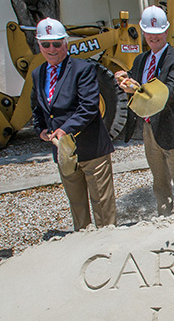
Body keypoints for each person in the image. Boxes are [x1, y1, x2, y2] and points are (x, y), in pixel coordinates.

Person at [31, 17, 117, 231]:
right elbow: (38, 108)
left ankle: (108, 248)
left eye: (57, 44)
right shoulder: (38, 74)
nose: (52, 49)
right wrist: (41, 130)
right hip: (64, 153)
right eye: (46, 44)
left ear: (65, 43)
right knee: (77, 206)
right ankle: (84, 248)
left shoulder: (83, 69)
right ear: (39, 45)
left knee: (103, 209)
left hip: (91, 148)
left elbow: (89, 106)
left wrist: (65, 130)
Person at [115, 5, 174, 216]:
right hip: (150, 130)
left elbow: (173, 90)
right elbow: (132, 82)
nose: (153, 37)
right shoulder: (141, 60)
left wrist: (138, 88)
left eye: (157, 32)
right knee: (159, 184)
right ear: (143, 32)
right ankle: (164, 222)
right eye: (149, 32)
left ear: (166, 31)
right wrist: (124, 80)